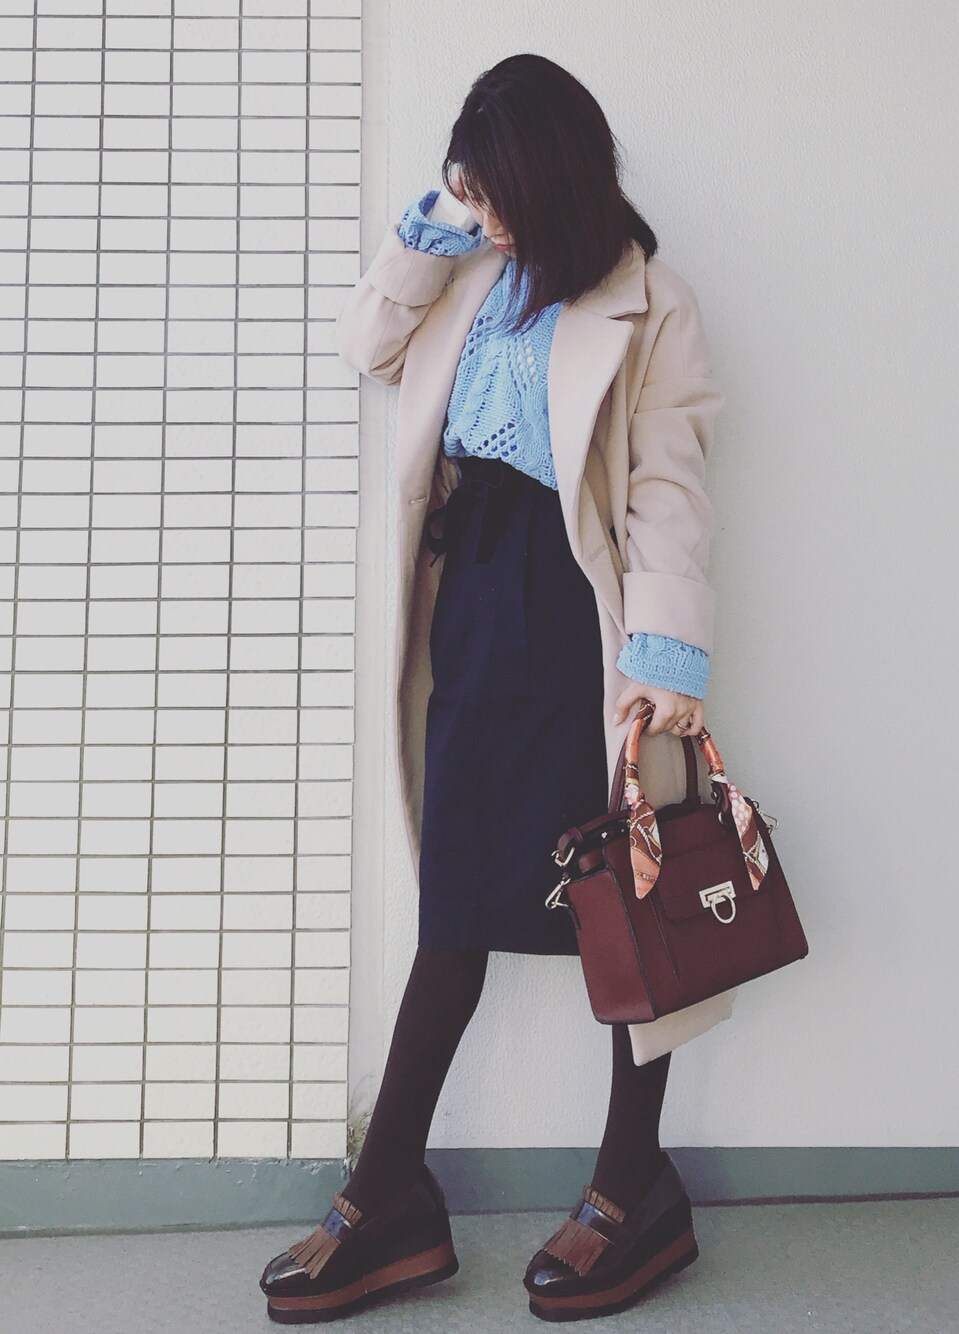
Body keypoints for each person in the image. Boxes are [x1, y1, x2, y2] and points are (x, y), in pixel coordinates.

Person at [260, 52, 726, 1325]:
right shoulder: (467, 272)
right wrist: (439, 220)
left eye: (495, 186)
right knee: (457, 896)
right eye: (469, 186)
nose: (484, 209)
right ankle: (392, 1193)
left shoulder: (652, 304)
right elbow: (365, 344)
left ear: (555, 174)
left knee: (626, 896)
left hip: (580, 616)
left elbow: (668, 483)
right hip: (468, 602)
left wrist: (663, 657)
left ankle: (632, 1183)